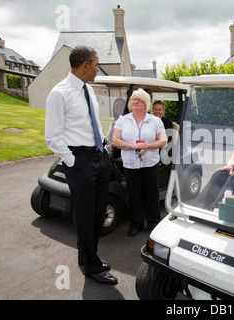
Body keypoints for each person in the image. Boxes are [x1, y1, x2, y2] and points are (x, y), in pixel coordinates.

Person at [45, 45, 117, 285]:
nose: (98, 69)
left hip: (99, 156)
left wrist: (104, 149)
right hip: (80, 160)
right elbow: (52, 137)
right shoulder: (59, 93)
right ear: (85, 64)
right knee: (85, 215)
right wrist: (73, 162)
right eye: (96, 65)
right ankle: (92, 267)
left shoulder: (88, 89)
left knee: (97, 212)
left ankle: (87, 257)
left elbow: (91, 123)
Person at [112, 89, 167, 236]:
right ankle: (136, 224)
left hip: (150, 164)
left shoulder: (155, 121)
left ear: (145, 103)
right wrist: (132, 146)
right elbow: (115, 141)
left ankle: (153, 223)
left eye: (138, 100)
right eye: (133, 99)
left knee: (152, 195)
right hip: (131, 166)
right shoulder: (123, 120)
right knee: (134, 196)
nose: (135, 102)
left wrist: (146, 146)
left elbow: (163, 140)